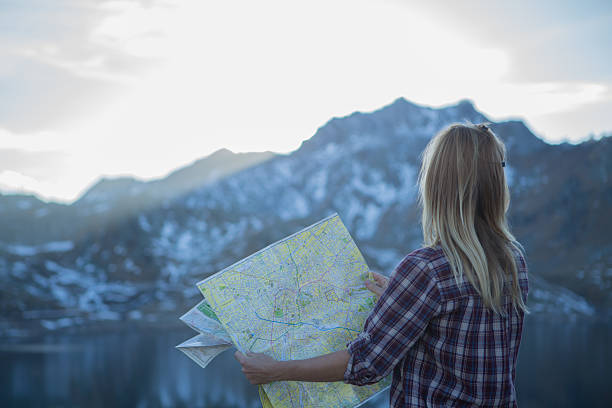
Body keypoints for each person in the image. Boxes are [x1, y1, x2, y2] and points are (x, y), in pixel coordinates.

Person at [234, 122, 530, 407]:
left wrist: (277, 370)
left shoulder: (426, 270)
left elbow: (366, 364)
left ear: (436, 187)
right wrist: (405, 297)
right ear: (496, 186)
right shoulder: (513, 260)